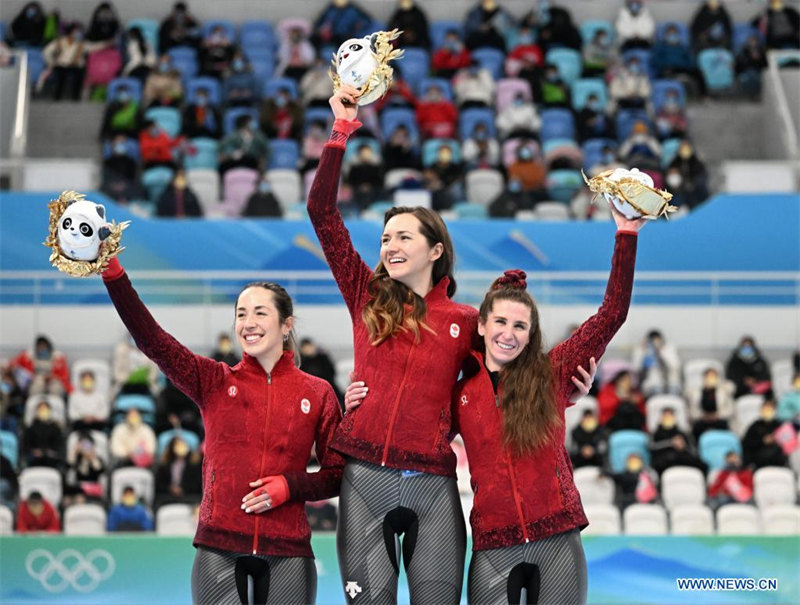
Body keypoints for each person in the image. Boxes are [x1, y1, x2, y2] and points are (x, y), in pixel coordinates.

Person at [349, 194, 643, 603]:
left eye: (520, 326)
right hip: (492, 549)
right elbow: (412, 424)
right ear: (481, 326)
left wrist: (626, 233)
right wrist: (361, 403)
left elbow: (612, 313)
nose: (509, 333)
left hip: (558, 541)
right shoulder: (460, 395)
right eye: (500, 322)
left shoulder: (552, 373)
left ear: (531, 334)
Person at [84, 248, 345, 603]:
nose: (247, 323)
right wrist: (112, 272)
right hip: (219, 547)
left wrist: (290, 486)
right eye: (240, 314)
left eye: (260, 312)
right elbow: (152, 340)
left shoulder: (317, 393)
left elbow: (337, 475)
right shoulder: (214, 381)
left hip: (288, 551)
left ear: (287, 325)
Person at [306, 85, 480, 603]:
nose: (390, 246)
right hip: (364, 481)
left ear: (436, 250)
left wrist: (566, 393)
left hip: (434, 485)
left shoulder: (467, 321)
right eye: (385, 239)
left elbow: (497, 389)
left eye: (404, 237)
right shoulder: (366, 295)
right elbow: (322, 214)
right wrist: (341, 130)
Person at [41, 23, 108, 101]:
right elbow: (46, 52)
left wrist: (106, 43)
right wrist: (51, 63)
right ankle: (57, 97)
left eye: (80, 32)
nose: (79, 34)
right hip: (61, 66)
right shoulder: (59, 42)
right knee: (60, 77)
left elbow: (93, 47)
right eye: (77, 31)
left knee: (79, 74)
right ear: (70, 32)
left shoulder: (81, 44)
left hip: (76, 66)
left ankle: (75, 98)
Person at [650, 408, 707, 476]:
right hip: (664, 459)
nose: (668, 418)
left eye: (670, 416)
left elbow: (692, 449)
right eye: (666, 416)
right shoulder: (656, 434)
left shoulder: (681, 433)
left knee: (702, 465)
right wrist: (670, 443)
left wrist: (683, 446)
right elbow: (652, 447)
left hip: (681, 457)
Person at [687, 367, 734, 441]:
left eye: (713, 376)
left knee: (723, 425)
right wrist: (703, 416)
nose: (711, 378)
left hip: (718, 419)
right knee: (697, 428)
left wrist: (718, 415)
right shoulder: (695, 392)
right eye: (708, 376)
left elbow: (730, 409)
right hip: (702, 419)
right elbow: (692, 410)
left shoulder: (724, 391)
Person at [155, 435, 202, 506]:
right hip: (167, 497)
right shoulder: (164, 465)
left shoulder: (193, 465)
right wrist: (171, 488)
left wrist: (183, 489)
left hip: (188, 497)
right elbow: (159, 484)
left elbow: (197, 484)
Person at [632, 329, 682, 396]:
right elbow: (635, 368)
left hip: (671, 383)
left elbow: (676, 366)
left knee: (673, 390)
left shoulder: (668, 349)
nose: (654, 344)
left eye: (657, 340)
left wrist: (661, 351)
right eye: (652, 341)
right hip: (653, 384)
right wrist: (640, 351)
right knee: (656, 390)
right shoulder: (645, 351)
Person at [742, 398, 786, 469]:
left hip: (778, 461)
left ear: (775, 410)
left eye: (770, 407)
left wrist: (776, 440)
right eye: (765, 407)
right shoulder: (755, 425)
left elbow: (788, 443)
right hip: (759, 460)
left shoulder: (780, 425)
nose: (767, 410)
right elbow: (746, 442)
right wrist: (763, 441)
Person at [666, 140, 709, 209]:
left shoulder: (696, 162)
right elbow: (670, 178)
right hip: (680, 192)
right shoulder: (674, 163)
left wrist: (695, 183)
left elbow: (702, 175)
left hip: (695, 190)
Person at [299, 338, 343, 404]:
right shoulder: (301, 362)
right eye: (306, 349)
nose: (309, 350)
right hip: (310, 391)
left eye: (309, 347)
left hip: (328, 387)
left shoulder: (322, 357)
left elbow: (332, 372)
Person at [422, 143, 464, 211]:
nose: (444, 155)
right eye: (442, 152)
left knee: (456, 188)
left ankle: (453, 209)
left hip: (450, 188)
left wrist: (442, 183)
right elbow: (428, 177)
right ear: (438, 154)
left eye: (447, 153)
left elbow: (457, 179)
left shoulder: (455, 167)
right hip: (436, 189)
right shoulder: (433, 166)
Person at [23, 399, 64, 468]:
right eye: (41, 409)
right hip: (34, 459)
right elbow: (26, 445)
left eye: (45, 409)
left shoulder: (55, 428)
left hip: (52, 460)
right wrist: (33, 452)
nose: (43, 412)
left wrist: (51, 452)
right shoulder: (31, 428)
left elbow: (59, 445)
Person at [735, 34, 769, 99]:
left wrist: (758, 59)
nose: (753, 44)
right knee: (750, 77)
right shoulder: (744, 50)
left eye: (754, 42)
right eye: (751, 41)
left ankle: (756, 94)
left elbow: (765, 64)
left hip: (757, 70)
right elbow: (740, 62)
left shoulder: (760, 50)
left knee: (756, 79)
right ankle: (748, 93)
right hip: (746, 70)